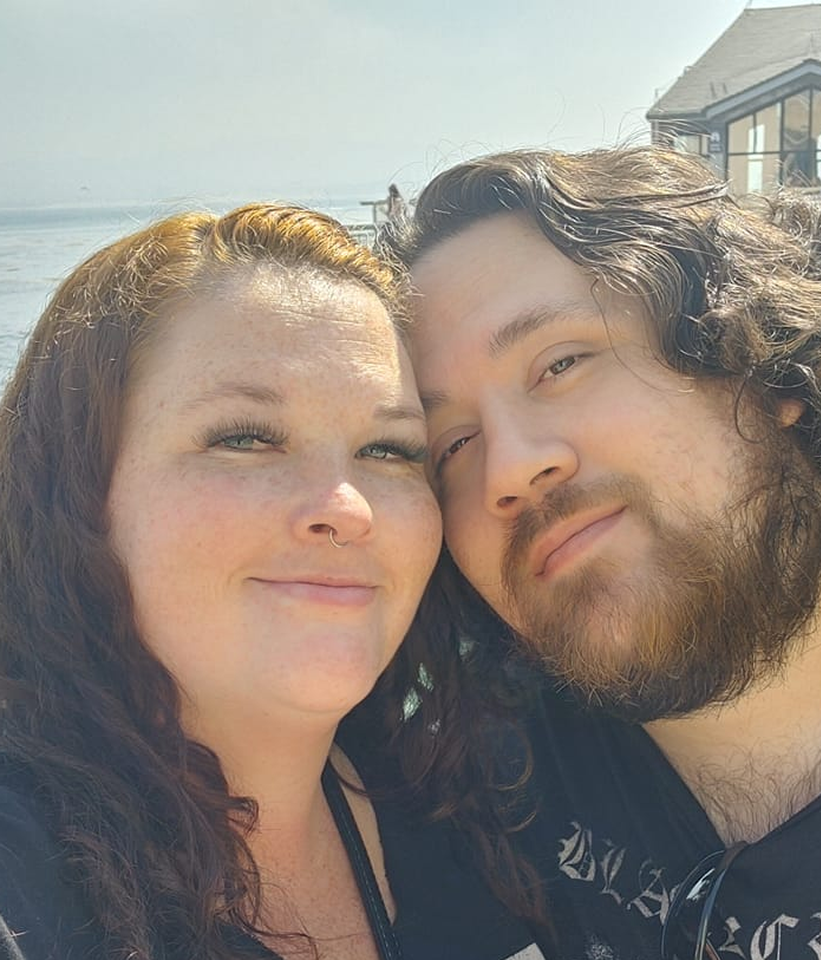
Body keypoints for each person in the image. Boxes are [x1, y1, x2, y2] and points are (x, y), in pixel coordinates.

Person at [382, 148, 821, 959]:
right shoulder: (477, 787)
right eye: (453, 445)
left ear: (766, 359)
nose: (507, 470)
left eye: (560, 364)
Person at [0, 204, 543, 960]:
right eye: (245, 438)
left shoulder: (463, 800)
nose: (347, 509)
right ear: (73, 492)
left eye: (390, 450)